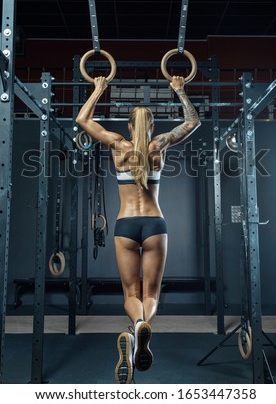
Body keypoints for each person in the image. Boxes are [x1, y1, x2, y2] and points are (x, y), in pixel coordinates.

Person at [76, 75, 201, 384]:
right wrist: (179, 90)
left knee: (131, 293)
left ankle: (138, 326)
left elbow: (82, 119)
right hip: (155, 225)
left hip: (125, 225)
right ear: (153, 127)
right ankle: (142, 329)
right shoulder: (160, 145)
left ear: (130, 127)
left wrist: (99, 89)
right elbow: (193, 122)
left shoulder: (119, 145)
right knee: (151, 292)